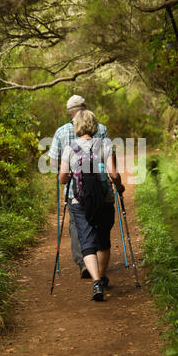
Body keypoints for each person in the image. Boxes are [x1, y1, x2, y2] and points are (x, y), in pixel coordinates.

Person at [59, 110, 125, 301]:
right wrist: (119, 187)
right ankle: (102, 277)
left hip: (80, 201)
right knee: (103, 239)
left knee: (86, 241)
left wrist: (70, 175)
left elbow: (62, 178)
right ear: (95, 125)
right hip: (104, 199)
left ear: (77, 126)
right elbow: (113, 174)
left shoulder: (70, 147)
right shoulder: (104, 144)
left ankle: (96, 282)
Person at [49, 95, 113, 279]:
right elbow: (108, 159)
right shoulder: (101, 129)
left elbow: (54, 162)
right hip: (100, 188)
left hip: (74, 189)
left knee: (77, 225)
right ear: (86, 108)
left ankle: (84, 262)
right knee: (99, 222)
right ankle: (99, 262)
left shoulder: (61, 132)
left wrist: (65, 167)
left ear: (69, 112)